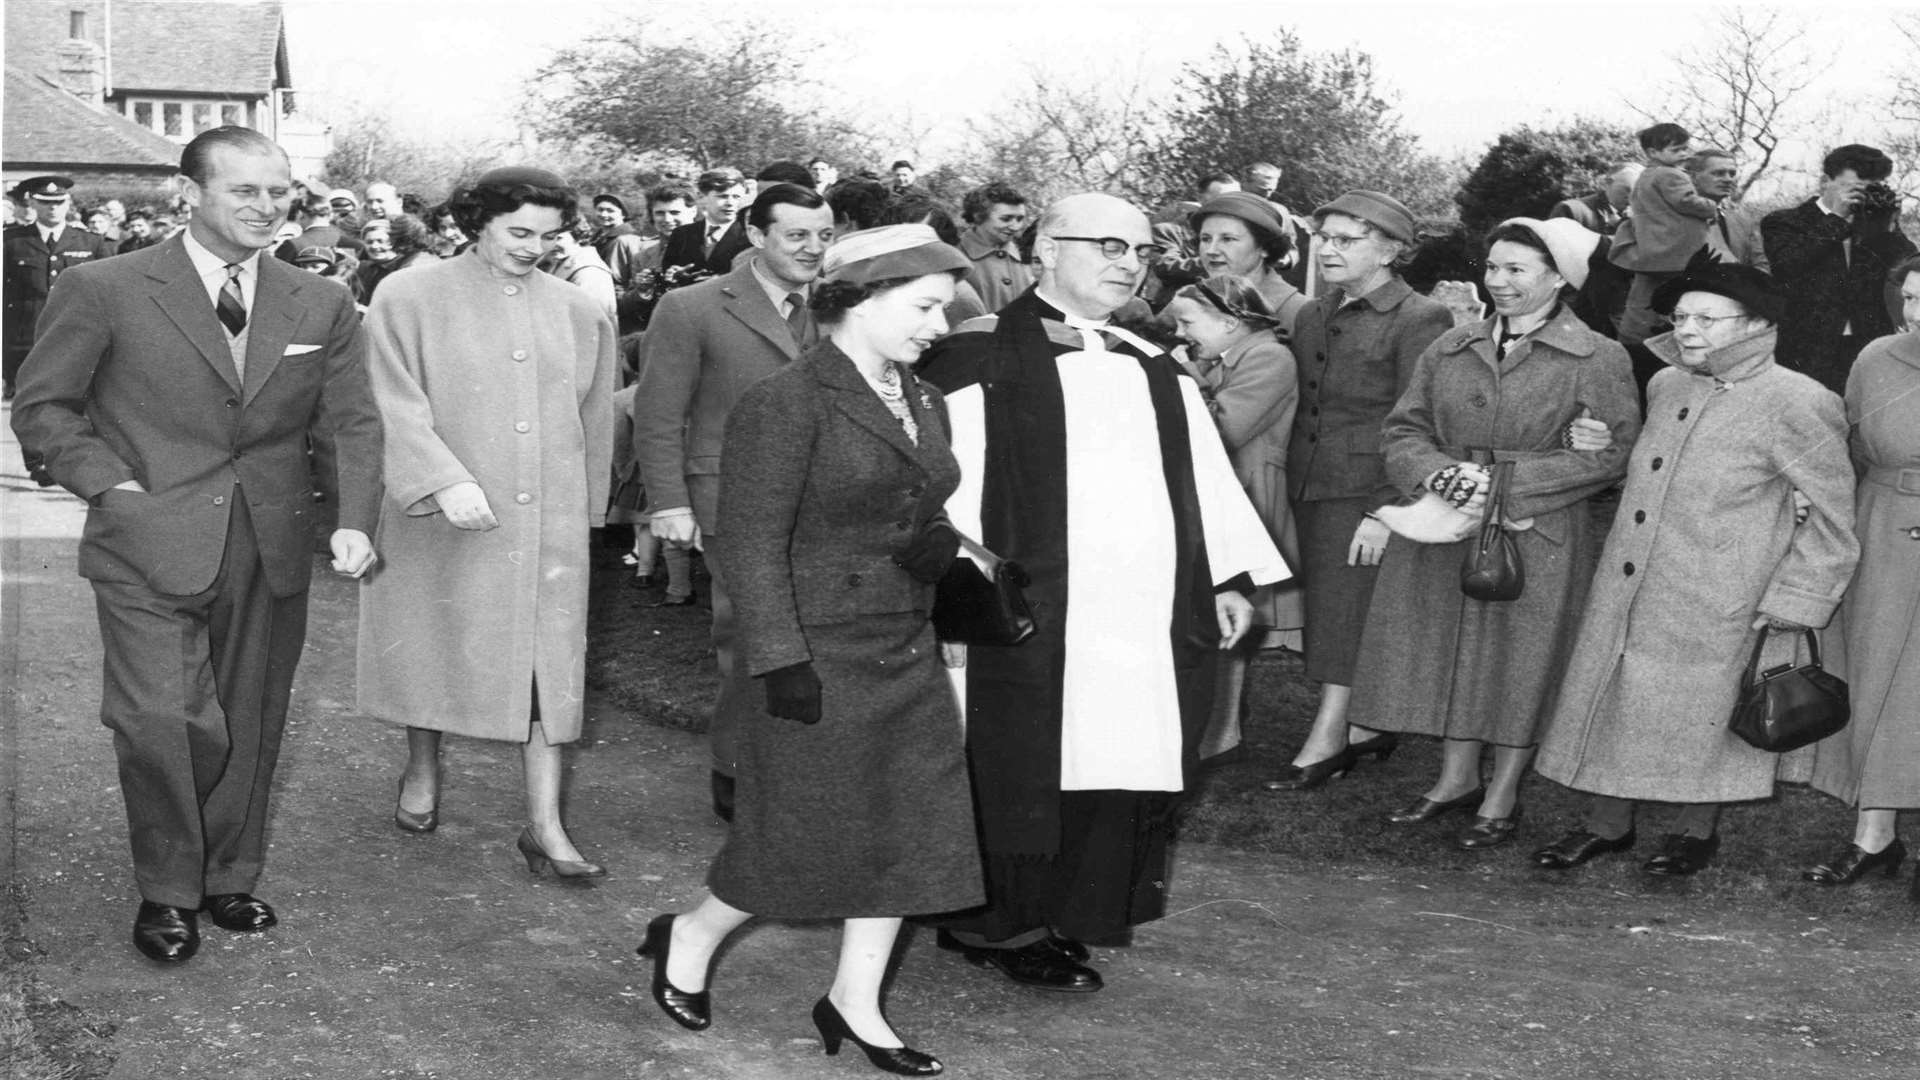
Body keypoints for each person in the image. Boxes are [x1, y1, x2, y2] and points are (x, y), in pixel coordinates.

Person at [9, 127, 382, 963]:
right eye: (244, 190)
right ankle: (167, 890)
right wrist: (111, 485)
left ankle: (228, 877)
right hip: (145, 538)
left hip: (269, 537)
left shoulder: (318, 301)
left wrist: (354, 516)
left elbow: (351, 421)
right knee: (158, 719)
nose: (268, 207)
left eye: (280, 190)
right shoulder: (104, 286)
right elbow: (43, 407)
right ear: (190, 194)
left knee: (250, 715)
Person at [918, 193, 1288, 992]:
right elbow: (938, 498)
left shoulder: (1152, 365)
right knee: (1019, 755)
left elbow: (1201, 485)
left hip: (1137, 618)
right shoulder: (975, 358)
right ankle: (995, 921)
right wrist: (944, 600)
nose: (1128, 263)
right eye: (1107, 245)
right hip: (1031, 613)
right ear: (1046, 248)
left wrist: (1224, 578)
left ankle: (1068, 911)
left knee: (1114, 755)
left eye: (1142, 251)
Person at [635, 226, 979, 1076]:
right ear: (859, 297)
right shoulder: (787, 401)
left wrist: (955, 558)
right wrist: (780, 658)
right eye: (925, 306)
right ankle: (690, 934)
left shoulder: (922, 397)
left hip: (903, 639)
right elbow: (750, 544)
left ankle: (854, 1003)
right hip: (814, 647)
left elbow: (915, 507)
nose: (939, 325)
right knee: (797, 833)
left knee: (912, 827)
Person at [1533, 263, 1858, 876]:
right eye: (1681, 317)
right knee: (1618, 698)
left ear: (1758, 325)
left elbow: (1835, 521)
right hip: (1635, 583)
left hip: (1722, 592)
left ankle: (1694, 834)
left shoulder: (1801, 401)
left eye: (1707, 318)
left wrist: (1801, 597)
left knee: (1702, 714)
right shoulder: (1667, 386)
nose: (1687, 329)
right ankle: (1607, 825)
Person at [355, 166, 617, 878]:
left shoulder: (578, 310)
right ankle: (421, 770)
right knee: (438, 641)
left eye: (550, 236)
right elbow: (390, 399)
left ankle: (546, 827)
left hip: (546, 523)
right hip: (439, 512)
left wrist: (589, 511)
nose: (534, 247)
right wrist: (442, 479)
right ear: (478, 223)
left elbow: (593, 419)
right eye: (519, 232)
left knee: (545, 671)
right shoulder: (407, 294)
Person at [1350, 217, 1639, 849]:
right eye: (1492, 267)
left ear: (1559, 278)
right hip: (1444, 522)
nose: (1499, 282)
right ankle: (1455, 780)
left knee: (1518, 662)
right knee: (1453, 652)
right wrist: (1439, 475)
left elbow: (1610, 455)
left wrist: (1499, 487)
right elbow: (1403, 430)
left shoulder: (1599, 356)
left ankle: (1503, 789)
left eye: (1517, 270)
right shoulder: (1451, 346)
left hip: (1537, 534)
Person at [633, 183, 834, 820]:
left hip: (824, 506)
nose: (813, 248)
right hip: (731, 504)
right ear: (755, 234)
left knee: (820, 641)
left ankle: (802, 773)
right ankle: (737, 773)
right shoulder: (691, 307)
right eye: (797, 234)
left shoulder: (836, 306)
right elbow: (658, 415)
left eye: (824, 235)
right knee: (750, 641)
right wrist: (668, 502)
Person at [1266, 191, 1454, 791]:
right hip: (1309, 483)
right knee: (1329, 609)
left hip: (1366, 490)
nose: (1327, 249)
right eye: (1323, 238)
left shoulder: (1420, 317)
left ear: (1391, 251)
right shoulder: (1314, 312)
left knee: (1345, 614)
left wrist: (1388, 510)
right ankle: (1365, 730)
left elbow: (1419, 421)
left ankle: (1328, 738)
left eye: (1346, 240)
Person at [1803, 256, 1920, 893]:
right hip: (1883, 530)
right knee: (1880, 677)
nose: (1917, 314)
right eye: (1910, 298)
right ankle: (1874, 836)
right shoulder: (1877, 357)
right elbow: (1845, 443)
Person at [1163, 274, 1302, 761]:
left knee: (1233, 607)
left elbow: (1222, 427)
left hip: (1251, 492)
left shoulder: (1270, 357)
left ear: (1229, 321)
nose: (1182, 332)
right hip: (1233, 490)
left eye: (1188, 321)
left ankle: (1222, 734)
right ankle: (1218, 727)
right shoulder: (1232, 356)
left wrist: (1184, 374)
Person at [1762, 143, 1917, 395]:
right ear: (1825, 182)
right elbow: (1788, 266)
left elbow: (1905, 267)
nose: (1862, 197)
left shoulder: (1872, 223)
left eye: (1873, 189)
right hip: (1808, 344)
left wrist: (1888, 224)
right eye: (1855, 188)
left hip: (1867, 340)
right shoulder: (1783, 221)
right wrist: (1836, 218)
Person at [3, 176, 113, 399]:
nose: (52, 208)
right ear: (32, 203)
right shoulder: (11, 241)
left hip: (77, 335)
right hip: (24, 338)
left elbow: (109, 292)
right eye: (45, 202)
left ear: (68, 203)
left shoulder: (90, 242)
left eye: (58, 202)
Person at [1609, 123, 1717, 345]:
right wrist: (1710, 206)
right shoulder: (1671, 175)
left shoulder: (1646, 176)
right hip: (1678, 251)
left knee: (1652, 300)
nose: (1684, 154)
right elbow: (1686, 201)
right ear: (1652, 153)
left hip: (1656, 251)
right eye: (1676, 150)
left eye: (1686, 148)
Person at [1190, 191, 1306, 335]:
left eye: (1228, 239)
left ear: (1265, 247)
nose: (1211, 250)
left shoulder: (1300, 313)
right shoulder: (1192, 300)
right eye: (1206, 239)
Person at [956, 182, 1034, 315]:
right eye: (1006, 219)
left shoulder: (1023, 254)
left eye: (1020, 219)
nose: (1015, 227)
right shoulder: (956, 257)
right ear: (979, 216)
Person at [661, 168, 751, 276]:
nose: (730, 203)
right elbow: (666, 276)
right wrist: (673, 274)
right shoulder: (682, 234)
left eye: (736, 197)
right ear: (702, 196)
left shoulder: (749, 235)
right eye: (722, 196)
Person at [1687, 149, 1767, 271]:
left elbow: (1761, 264)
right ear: (1693, 177)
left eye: (1732, 174)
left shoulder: (1743, 219)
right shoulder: (1677, 216)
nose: (1728, 179)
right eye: (1718, 173)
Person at [542, 217, 618, 325]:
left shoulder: (590, 272)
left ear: (578, 237)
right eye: (549, 238)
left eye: (559, 238)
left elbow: (588, 321)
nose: (552, 244)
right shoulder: (561, 261)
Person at [1549, 164, 1642, 236]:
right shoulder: (1570, 210)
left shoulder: (1643, 217)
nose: (1633, 197)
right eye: (1627, 190)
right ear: (1607, 183)